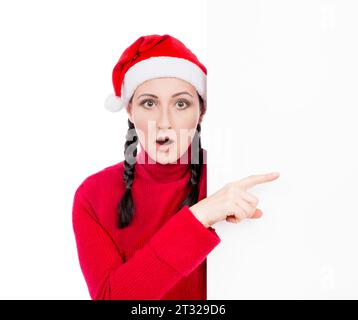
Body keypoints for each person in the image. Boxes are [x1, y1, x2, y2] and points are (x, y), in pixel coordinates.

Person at [72, 34, 280, 300]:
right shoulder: (93, 195)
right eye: (149, 103)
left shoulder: (229, 181)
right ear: (130, 111)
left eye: (181, 104)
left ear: (201, 112)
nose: (164, 122)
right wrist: (199, 216)